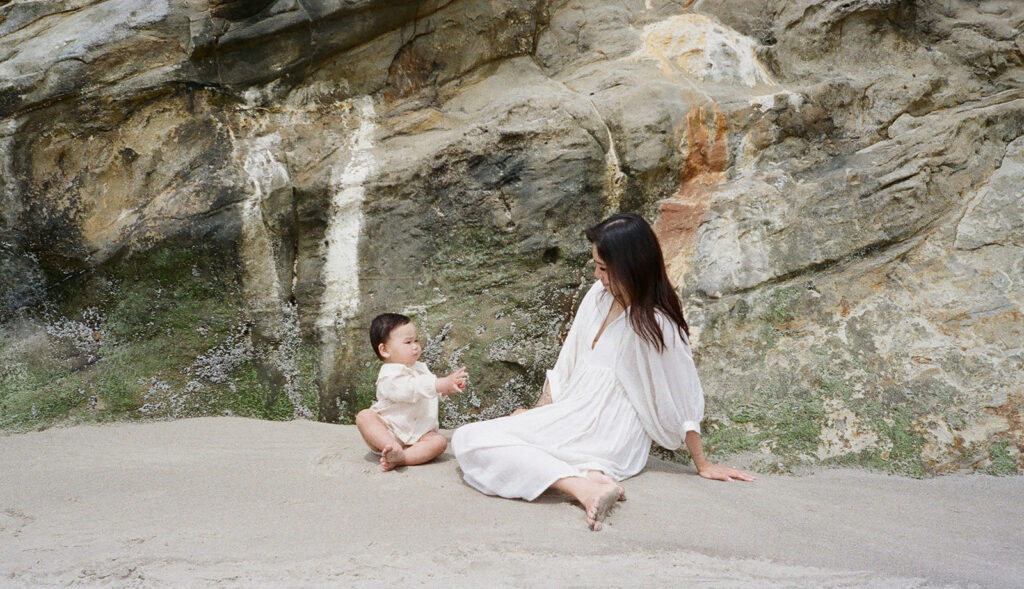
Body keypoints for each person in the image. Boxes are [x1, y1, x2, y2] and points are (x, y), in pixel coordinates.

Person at [451, 213, 754, 530]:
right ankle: (594, 480)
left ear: (633, 267)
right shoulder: (596, 296)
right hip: (574, 413)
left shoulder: (656, 321)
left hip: (613, 431)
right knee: (469, 438)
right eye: (597, 265)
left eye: (605, 269)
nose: (597, 275)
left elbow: (682, 393)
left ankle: (583, 487)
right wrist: (538, 412)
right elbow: (567, 361)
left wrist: (702, 464)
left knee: (473, 439)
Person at [356, 313, 468, 471]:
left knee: (439, 442)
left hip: (421, 433)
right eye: (408, 342)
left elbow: (430, 392)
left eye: (416, 340)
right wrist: (440, 384)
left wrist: (448, 388)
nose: (415, 346)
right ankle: (390, 446)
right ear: (385, 350)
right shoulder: (388, 375)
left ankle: (402, 458)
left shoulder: (421, 368)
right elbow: (410, 389)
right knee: (364, 417)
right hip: (391, 429)